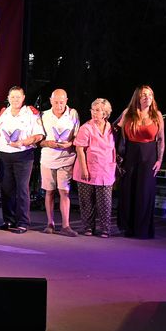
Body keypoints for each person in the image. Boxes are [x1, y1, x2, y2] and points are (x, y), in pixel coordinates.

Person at [117, 85, 165, 239]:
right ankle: (128, 228)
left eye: (150, 94)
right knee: (128, 190)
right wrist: (117, 156)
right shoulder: (128, 113)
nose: (148, 97)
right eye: (144, 94)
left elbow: (161, 140)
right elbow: (115, 131)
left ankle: (142, 229)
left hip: (149, 156)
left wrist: (159, 160)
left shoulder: (157, 115)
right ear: (137, 97)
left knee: (145, 192)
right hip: (130, 155)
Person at [0, 86, 44, 233]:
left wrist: (22, 142)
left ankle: (23, 222)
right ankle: (8, 220)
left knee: (22, 189)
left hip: (24, 155)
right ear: (8, 98)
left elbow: (39, 135)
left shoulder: (31, 113)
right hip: (4, 154)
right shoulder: (3, 113)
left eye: (18, 97)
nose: (15, 99)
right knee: (6, 188)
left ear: (23, 98)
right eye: (12, 97)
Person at [39, 89, 80, 237]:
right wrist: (47, 143)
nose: (59, 105)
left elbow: (77, 136)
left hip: (66, 158)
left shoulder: (73, 114)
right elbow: (39, 140)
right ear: (51, 101)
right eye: (56, 102)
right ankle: (50, 223)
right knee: (49, 192)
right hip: (48, 159)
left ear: (66, 100)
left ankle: (66, 225)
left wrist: (69, 144)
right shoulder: (44, 115)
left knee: (64, 191)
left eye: (61, 102)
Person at [74, 99, 117, 238]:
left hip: (106, 170)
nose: (95, 113)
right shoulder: (86, 128)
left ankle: (105, 229)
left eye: (98, 110)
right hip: (88, 169)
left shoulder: (111, 127)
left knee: (105, 202)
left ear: (105, 113)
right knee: (87, 202)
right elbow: (79, 149)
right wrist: (84, 169)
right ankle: (88, 227)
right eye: (93, 109)